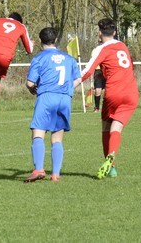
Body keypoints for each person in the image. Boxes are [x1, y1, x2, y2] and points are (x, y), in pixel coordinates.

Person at [77, 18, 139, 179]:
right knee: (116, 128)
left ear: (99, 33)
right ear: (115, 32)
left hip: (114, 93)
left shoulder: (101, 49)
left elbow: (88, 70)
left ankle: (111, 166)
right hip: (131, 93)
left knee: (106, 128)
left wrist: (71, 84)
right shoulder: (123, 46)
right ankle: (111, 157)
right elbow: (131, 66)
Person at [23, 28, 81, 183]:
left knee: (38, 132)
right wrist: (68, 89)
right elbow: (78, 79)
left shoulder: (39, 58)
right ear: (55, 40)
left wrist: (32, 90)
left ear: (40, 40)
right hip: (64, 99)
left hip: (47, 97)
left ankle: (39, 169)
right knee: (57, 137)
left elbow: (30, 82)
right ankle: (55, 174)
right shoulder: (69, 59)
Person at [90, 41, 105, 113]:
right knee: (98, 90)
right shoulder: (95, 50)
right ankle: (97, 108)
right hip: (99, 70)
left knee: (108, 90)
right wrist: (91, 74)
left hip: (106, 70)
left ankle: (106, 107)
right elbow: (92, 62)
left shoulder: (108, 49)